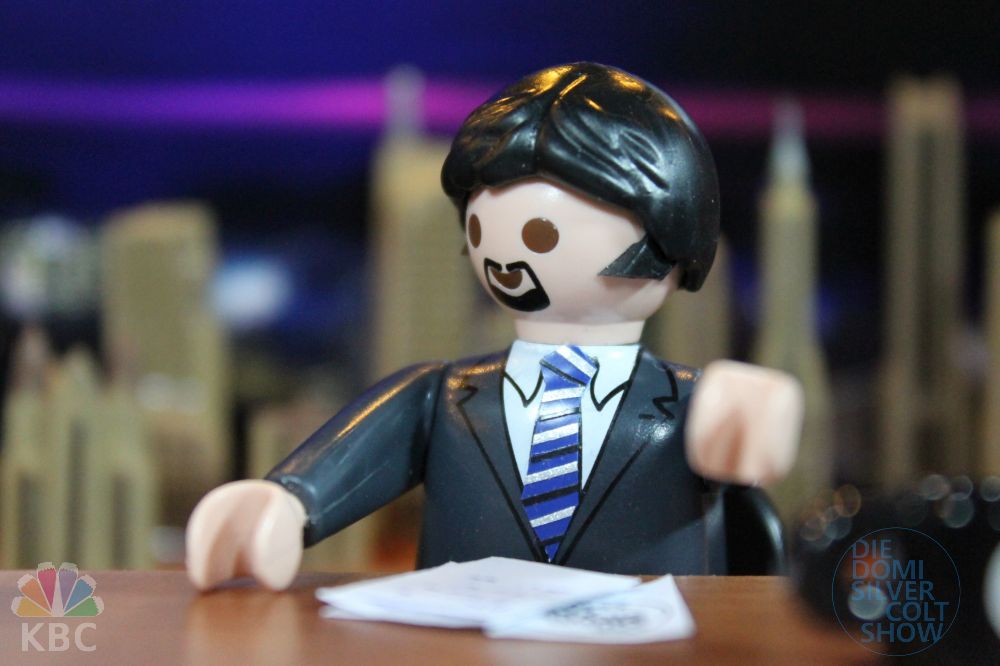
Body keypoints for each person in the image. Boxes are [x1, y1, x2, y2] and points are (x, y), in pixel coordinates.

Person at [186, 63, 803, 591]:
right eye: (481, 231)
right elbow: (359, 455)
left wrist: (749, 414)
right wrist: (285, 502)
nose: (506, 261)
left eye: (541, 235)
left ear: (671, 232)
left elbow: (749, 449)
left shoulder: (689, 406)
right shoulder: (445, 397)